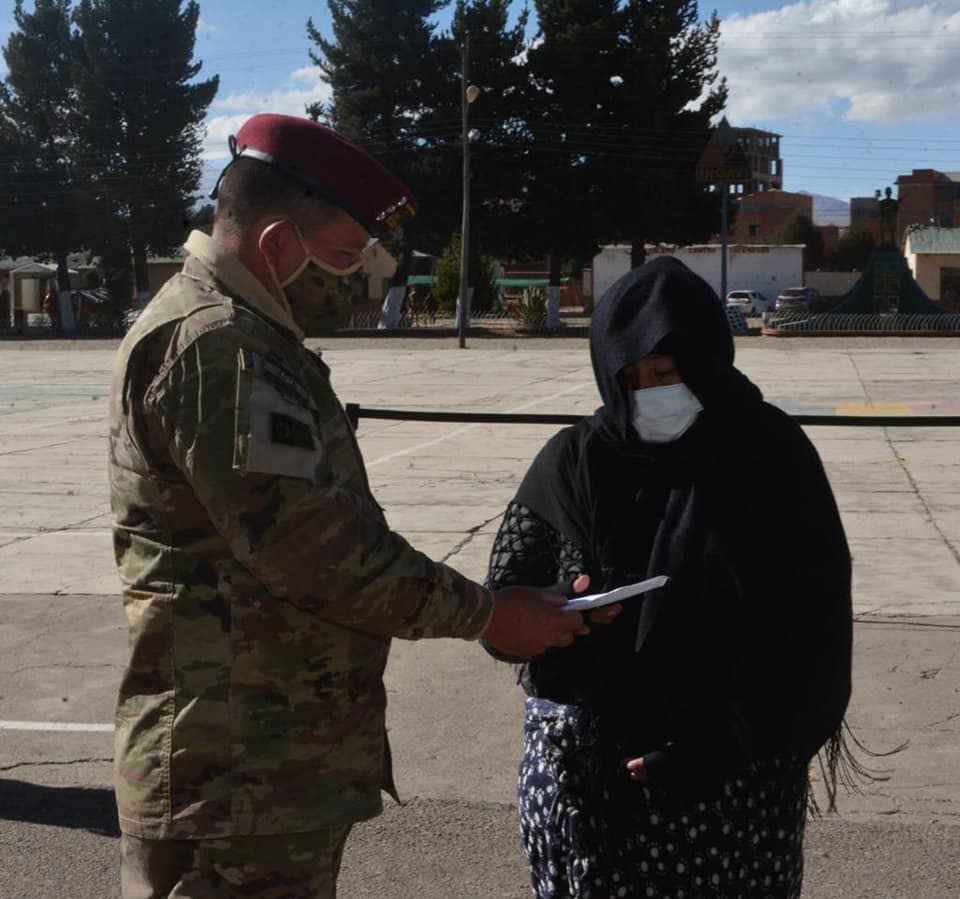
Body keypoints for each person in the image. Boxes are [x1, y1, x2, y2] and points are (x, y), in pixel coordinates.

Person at [108, 113, 595, 898]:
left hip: (262, 771)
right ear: (276, 246)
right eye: (341, 261)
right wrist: (487, 613)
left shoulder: (245, 336)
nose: (352, 284)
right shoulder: (220, 348)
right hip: (234, 782)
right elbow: (323, 556)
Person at [485, 256, 852, 899]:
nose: (650, 392)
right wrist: (558, 617)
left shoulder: (773, 458)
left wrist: (724, 746)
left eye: (667, 371)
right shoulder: (574, 463)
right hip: (593, 794)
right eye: (630, 379)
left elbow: (816, 633)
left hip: (734, 791)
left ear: (708, 360)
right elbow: (502, 613)